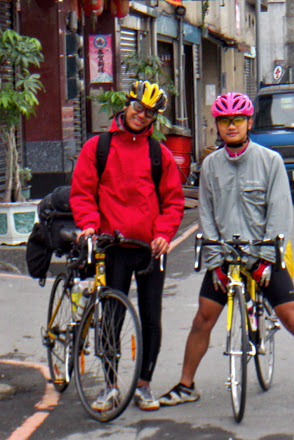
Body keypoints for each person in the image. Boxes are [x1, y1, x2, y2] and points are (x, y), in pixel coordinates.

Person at [159, 92, 294, 409]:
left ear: (248, 123)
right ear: (217, 126)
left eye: (237, 120)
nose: (231, 126)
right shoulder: (210, 165)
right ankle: (186, 385)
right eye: (224, 121)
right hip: (225, 255)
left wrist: (265, 259)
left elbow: (280, 215)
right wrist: (216, 262)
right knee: (202, 319)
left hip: (264, 255)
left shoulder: (269, 161)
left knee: (292, 318)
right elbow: (206, 214)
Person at [70, 80, 185, 412]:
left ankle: (144, 385)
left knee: (151, 317)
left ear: (155, 119)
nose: (141, 116)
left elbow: (174, 202)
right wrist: (89, 225)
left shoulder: (157, 153)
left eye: (149, 113)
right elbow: (82, 193)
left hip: (150, 249)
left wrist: (164, 232)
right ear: (126, 103)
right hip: (113, 246)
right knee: (111, 318)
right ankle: (110, 385)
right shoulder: (98, 147)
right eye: (138, 107)